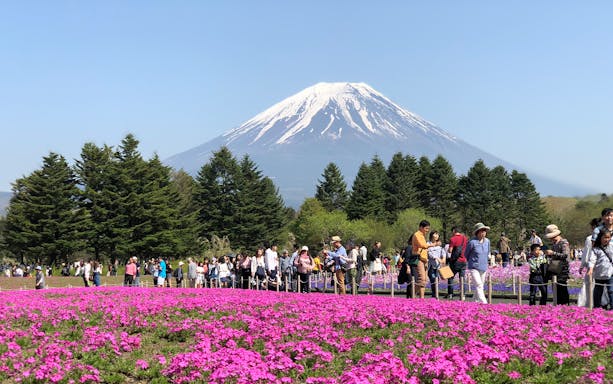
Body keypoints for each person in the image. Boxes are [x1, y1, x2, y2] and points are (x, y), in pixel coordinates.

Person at [544, 224, 570, 305]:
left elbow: (565, 255)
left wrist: (553, 253)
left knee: (562, 287)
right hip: (555, 268)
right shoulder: (554, 244)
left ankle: (564, 304)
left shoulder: (563, 242)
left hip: (562, 268)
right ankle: (558, 303)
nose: (551, 239)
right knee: (555, 287)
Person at [587, 228, 613, 309]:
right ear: (600, 238)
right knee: (598, 291)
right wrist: (590, 269)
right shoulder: (596, 249)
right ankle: (597, 307)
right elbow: (592, 259)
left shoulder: (611, 247)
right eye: (605, 237)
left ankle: (612, 307)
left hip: (610, 273)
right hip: (599, 273)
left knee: (611, 291)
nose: (607, 239)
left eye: (608, 237)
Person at [466, 222, 491, 304]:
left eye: (485, 231)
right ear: (477, 232)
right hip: (474, 267)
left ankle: (475, 301)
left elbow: (488, 252)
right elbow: (467, 254)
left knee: (480, 285)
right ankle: (485, 303)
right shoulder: (472, 242)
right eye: (482, 231)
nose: (484, 233)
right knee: (479, 284)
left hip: (483, 266)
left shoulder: (487, 241)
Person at [578, 218, 600, 307]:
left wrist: (582, 265)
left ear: (594, 227)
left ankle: (586, 304)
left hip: (591, 265)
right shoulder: (607, 237)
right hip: (601, 265)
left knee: (588, 285)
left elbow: (586, 254)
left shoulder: (590, 238)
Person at [412, 220, 436, 299]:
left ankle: (421, 298)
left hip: (424, 260)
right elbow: (422, 245)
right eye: (426, 228)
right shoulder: (417, 235)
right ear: (421, 227)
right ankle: (413, 295)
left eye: (428, 228)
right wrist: (431, 245)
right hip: (418, 259)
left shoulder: (422, 235)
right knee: (421, 279)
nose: (427, 230)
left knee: (424, 281)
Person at [427, 231, 446, 298]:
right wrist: (437, 258)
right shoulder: (428, 244)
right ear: (432, 235)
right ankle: (434, 294)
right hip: (431, 266)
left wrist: (443, 258)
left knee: (437, 280)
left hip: (438, 266)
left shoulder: (440, 244)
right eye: (435, 234)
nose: (437, 235)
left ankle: (435, 295)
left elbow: (443, 252)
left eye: (438, 234)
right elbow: (429, 253)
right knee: (433, 279)